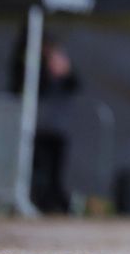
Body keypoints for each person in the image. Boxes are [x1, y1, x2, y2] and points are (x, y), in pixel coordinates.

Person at [10, 25, 80, 214]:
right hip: (37, 127)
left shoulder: (63, 71)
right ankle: (39, 201)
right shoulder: (34, 67)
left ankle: (56, 204)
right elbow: (21, 86)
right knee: (37, 169)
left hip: (57, 128)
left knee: (56, 170)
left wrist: (66, 71)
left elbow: (75, 85)